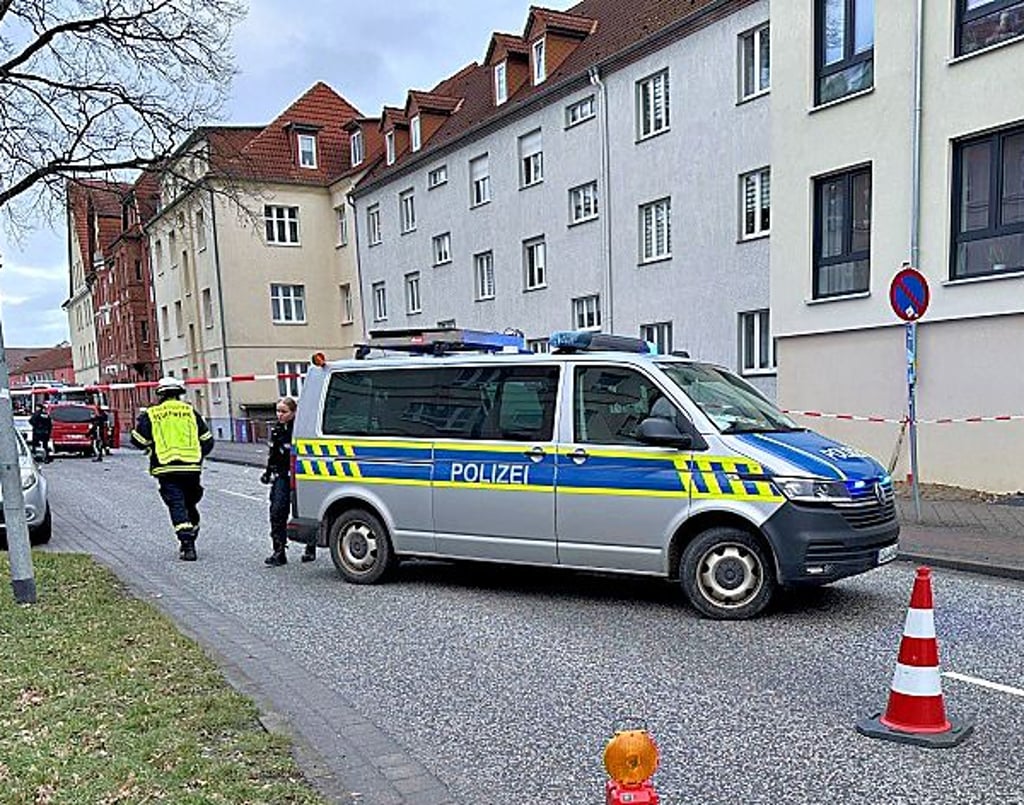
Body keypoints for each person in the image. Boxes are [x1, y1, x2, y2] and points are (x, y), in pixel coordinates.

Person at [130, 376, 214, 561]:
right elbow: (207, 440)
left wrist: (148, 440)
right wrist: (197, 457)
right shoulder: (190, 412)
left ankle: (187, 545)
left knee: (177, 504)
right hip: (191, 468)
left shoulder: (152, 414)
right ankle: (192, 531)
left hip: (166, 468)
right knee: (189, 504)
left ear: (160, 394)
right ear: (179, 394)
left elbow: (138, 441)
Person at [260, 396, 314, 565]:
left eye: (284, 411)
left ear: (294, 412)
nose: (280, 415)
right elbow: (273, 455)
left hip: (301, 475)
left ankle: (310, 547)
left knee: (307, 512)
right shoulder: (277, 430)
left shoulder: (300, 430)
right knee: (277, 511)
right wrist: (268, 472)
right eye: (278, 411)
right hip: (282, 475)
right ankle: (279, 551)